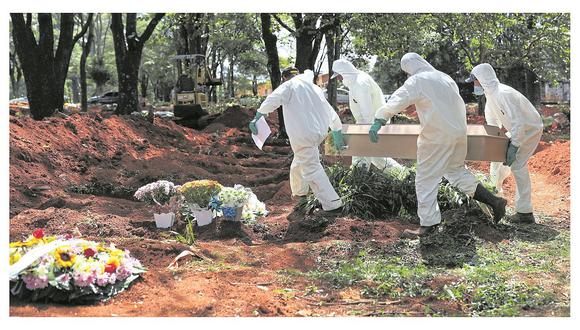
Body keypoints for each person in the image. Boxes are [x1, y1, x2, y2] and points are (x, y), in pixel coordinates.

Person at [369, 53, 507, 238]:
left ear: (409, 69)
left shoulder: (417, 80)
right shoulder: (445, 77)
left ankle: (428, 225)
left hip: (437, 137)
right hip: (458, 134)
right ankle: (495, 202)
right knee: (456, 172)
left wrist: (380, 118)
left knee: (425, 179)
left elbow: (397, 100)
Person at [249, 67, 345, 213]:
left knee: (311, 168)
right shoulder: (314, 88)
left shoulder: (289, 85)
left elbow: (273, 99)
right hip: (318, 133)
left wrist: (259, 115)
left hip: (303, 135)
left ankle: (333, 205)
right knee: (298, 163)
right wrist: (337, 129)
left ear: (284, 78)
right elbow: (329, 110)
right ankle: (300, 195)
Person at [467, 63, 543, 223]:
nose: (474, 85)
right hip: (518, 130)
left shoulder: (503, 94)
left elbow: (519, 123)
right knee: (497, 159)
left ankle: (525, 213)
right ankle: (495, 194)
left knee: (518, 165)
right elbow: (493, 124)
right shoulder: (491, 96)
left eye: (475, 81)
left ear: (482, 80)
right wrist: (493, 144)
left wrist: (513, 146)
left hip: (530, 129)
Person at [330, 59, 404, 172]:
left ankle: (357, 180)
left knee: (361, 155)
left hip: (372, 125)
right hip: (369, 123)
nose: (339, 79)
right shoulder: (356, 80)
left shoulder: (360, 84)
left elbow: (367, 113)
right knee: (377, 157)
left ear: (344, 73)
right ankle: (404, 175)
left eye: (339, 76)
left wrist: (363, 133)